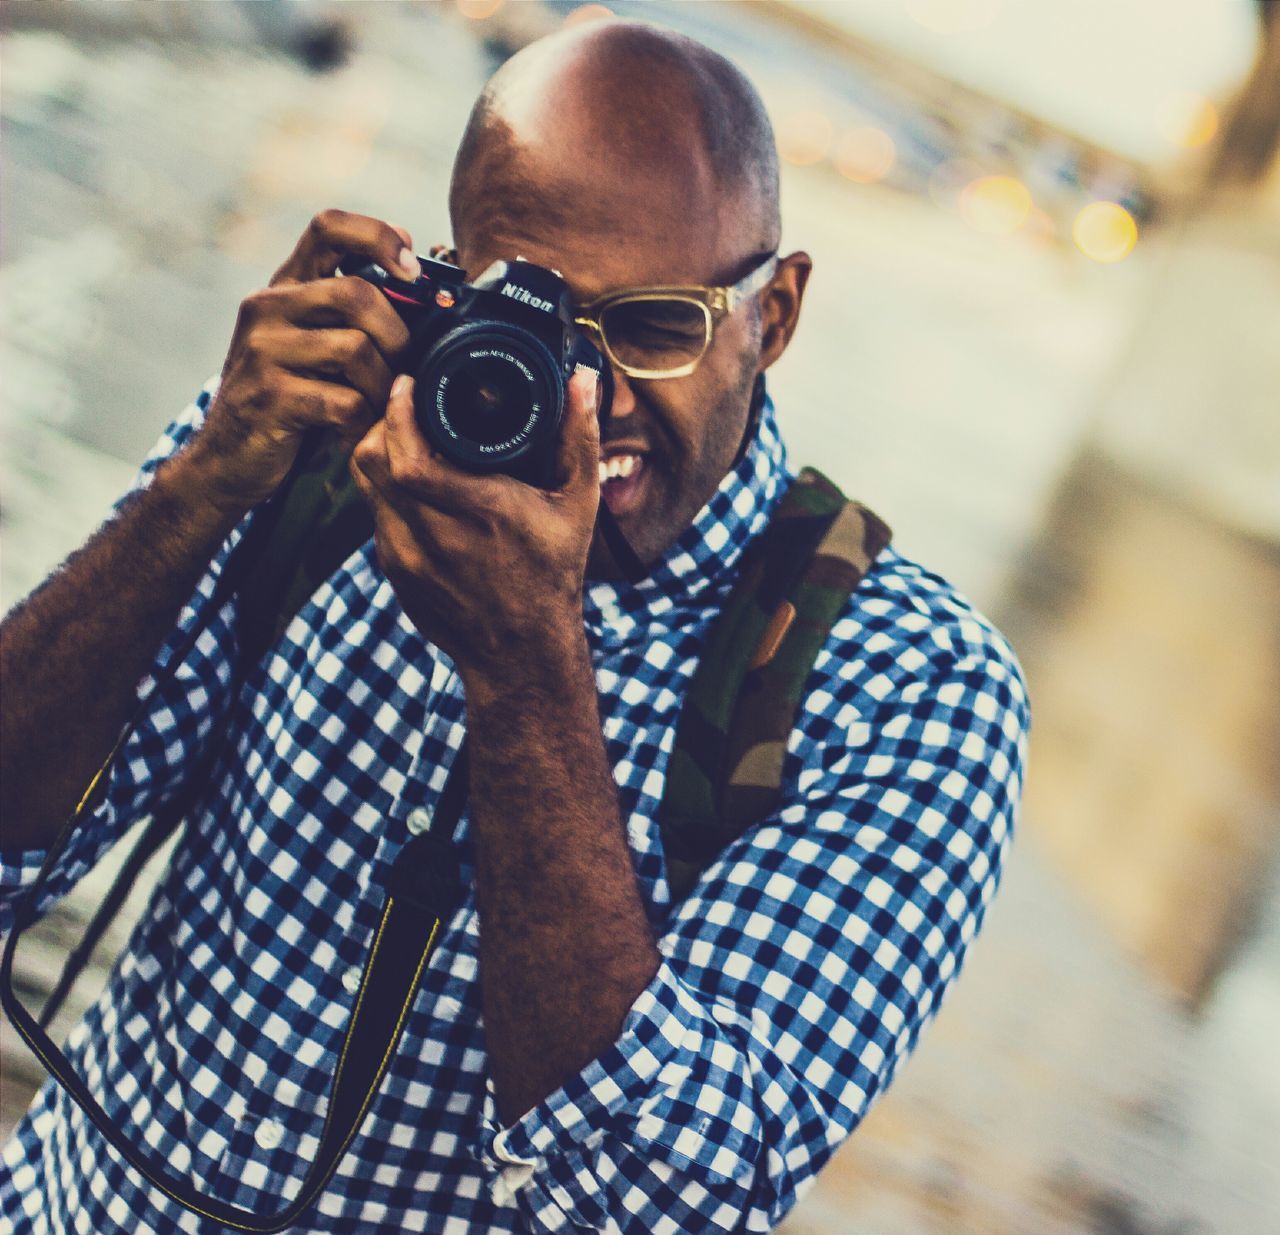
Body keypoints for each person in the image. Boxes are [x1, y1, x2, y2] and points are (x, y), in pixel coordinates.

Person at [0, 18, 1029, 1235]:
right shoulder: (313, 455)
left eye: (652, 328)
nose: (585, 398)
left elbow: (661, 1200)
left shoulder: (907, 689)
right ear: (448, 278)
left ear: (775, 315)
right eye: (526, 317)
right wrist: (197, 486)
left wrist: (525, 667)